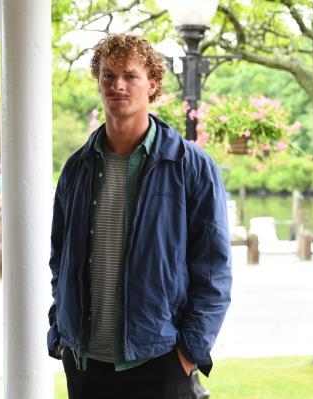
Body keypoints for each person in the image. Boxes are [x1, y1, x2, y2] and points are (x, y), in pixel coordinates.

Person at [47, 33, 232, 399]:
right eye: (108, 74)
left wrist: (187, 354)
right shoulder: (77, 168)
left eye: (130, 75)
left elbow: (213, 271)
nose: (117, 84)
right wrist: (61, 335)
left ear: (153, 85)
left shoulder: (190, 167)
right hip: (85, 367)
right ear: (98, 81)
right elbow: (59, 260)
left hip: (160, 363)